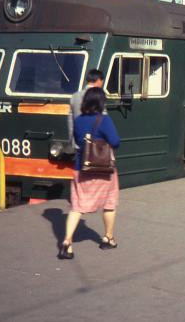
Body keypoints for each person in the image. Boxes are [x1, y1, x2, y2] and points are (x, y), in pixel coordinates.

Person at [60, 87, 121, 259]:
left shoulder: (79, 120)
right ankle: (108, 238)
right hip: (104, 170)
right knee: (109, 203)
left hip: (82, 168)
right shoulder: (105, 120)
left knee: (77, 207)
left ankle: (67, 242)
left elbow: (77, 140)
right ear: (101, 102)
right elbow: (115, 142)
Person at [68, 69, 104, 151]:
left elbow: (71, 122)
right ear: (98, 80)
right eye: (102, 82)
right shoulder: (98, 96)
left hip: (78, 144)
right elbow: (103, 119)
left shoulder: (75, 96)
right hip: (94, 145)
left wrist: (72, 142)